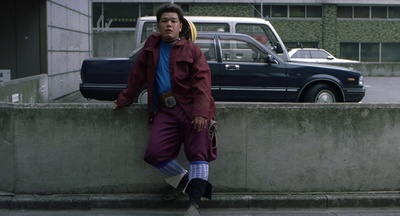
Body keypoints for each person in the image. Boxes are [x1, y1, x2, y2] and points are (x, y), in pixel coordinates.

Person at [114, 3, 217, 216]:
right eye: (164, 21)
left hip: (191, 110)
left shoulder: (192, 50)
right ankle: (187, 183)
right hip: (165, 110)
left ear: (181, 26)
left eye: (173, 21)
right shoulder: (151, 49)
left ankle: (194, 205)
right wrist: (124, 98)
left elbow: (202, 84)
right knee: (154, 153)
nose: (169, 25)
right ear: (158, 26)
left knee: (198, 154)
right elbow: (136, 76)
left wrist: (200, 112)